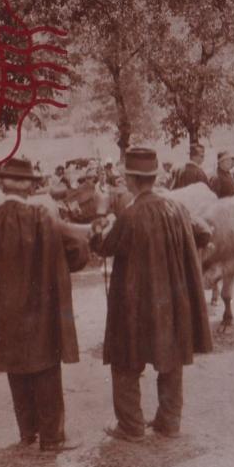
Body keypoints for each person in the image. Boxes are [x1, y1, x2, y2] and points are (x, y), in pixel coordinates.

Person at [0, 158, 91, 453]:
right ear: (30, 186)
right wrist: (62, 267)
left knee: (17, 368)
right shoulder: (42, 217)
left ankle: (28, 434)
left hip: (2, 311)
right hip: (41, 307)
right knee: (46, 368)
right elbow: (77, 247)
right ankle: (52, 438)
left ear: (1, 184)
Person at [90, 147, 213, 442]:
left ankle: (130, 426)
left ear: (131, 180)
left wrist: (100, 212)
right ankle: (169, 423)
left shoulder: (130, 215)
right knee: (170, 357)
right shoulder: (178, 208)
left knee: (125, 360)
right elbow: (205, 234)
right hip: (172, 301)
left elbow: (102, 247)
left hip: (136, 302)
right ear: (154, 177)